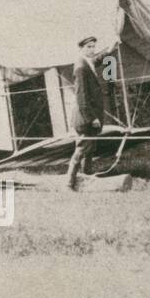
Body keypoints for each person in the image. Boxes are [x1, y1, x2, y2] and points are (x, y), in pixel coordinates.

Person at [65, 35, 105, 190]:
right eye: (89, 47)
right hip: (84, 116)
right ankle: (69, 183)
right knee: (82, 148)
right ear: (81, 48)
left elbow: (96, 61)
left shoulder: (87, 62)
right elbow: (81, 96)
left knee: (90, 147)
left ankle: (86, 176)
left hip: (87, 115)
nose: (92, 50)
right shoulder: (81, 67)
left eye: (94, 46)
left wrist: (110, 50)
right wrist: (91, 117)